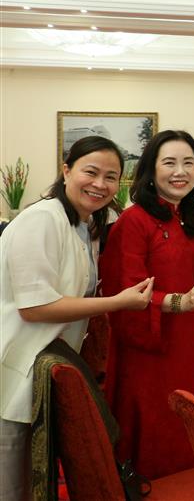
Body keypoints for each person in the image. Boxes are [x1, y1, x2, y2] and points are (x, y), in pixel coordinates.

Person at [0, 137, 153, 499]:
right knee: (11, 483)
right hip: (13, 365)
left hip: (40, 369)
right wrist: (116, 303)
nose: (100, 184)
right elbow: (34, 307)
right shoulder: (42, 219)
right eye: (91, 172)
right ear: (66, 170)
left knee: (34, 481)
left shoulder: (84, 226)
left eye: (111, 177)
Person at [99, 130, 194, 479]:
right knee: (161, 435)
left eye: (188, 163)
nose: (180, 171)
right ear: (151, 171)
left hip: (190, 344)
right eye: (169, 163)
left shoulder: (193, 222)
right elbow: (125, 291)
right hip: (151, 348)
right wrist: (181, 302)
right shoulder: (133, 221)